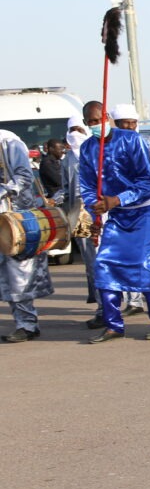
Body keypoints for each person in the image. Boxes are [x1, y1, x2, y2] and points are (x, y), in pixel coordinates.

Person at [79, 103, 150, 343]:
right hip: (117, 216)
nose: (95, 125)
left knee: (146, 265)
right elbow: (88, 186)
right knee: (104, 265)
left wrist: (118, 199)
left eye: (98, 120)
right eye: (90, 122)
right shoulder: (88, 148)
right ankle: (114, 325)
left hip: (147, 211)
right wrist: (96, 208)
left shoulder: (133, 140)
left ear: (107, 117)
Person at [109, 104, 150, 317]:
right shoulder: (108, 148)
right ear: (116, 125)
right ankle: (134, 300)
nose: (130, 127)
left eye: (133, 123)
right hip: (122, 210)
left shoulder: (148, 143)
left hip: (149, 207)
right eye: (125, 124)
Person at [0, 129, 54, 343]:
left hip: (15, 220)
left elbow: (24, 176)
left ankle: (27, 325)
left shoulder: (9, 143)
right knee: (5, 278)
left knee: (18, 275)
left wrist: (4, 190)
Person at [60, 108, 103, 328]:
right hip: (80, 217)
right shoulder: (67, 159)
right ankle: (102, 307)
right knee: (91, 262)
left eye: (79, 129)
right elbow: (66, 190)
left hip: (101, 212)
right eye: (71, 131)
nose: (75, 134)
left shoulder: (97, 152)